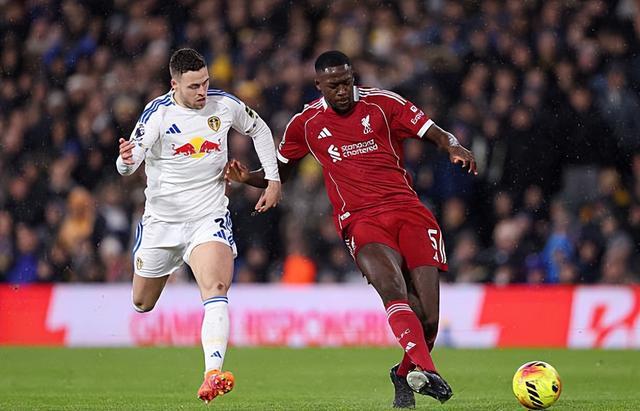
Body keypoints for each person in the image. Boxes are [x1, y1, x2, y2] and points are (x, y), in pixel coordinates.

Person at [226, 50, 477, 408]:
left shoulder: (383, 104)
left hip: (409, 212)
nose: (343, 90)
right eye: (334, 85)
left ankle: (403, 373)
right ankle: (429, 371)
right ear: (318, 85)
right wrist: (247, 178)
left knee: (429, 319)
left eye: (347, 82)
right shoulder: (305, 124)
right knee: (393, 290)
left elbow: (435, 132)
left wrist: (453, 146)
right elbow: (281, 173)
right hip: (360, 220)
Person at [116, 48, 281, 404]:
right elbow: (129, 163)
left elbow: (260, 128)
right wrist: (125, 161)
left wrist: (273, 179)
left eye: (205, 83)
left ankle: (212, 374)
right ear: (174, 84)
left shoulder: (224, 105)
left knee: (216, 287)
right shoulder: (158, 114)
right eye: (194, 86)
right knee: (142, 303)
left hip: (208, 217)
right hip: (163, 223)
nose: (203, 91)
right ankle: (158, 262)